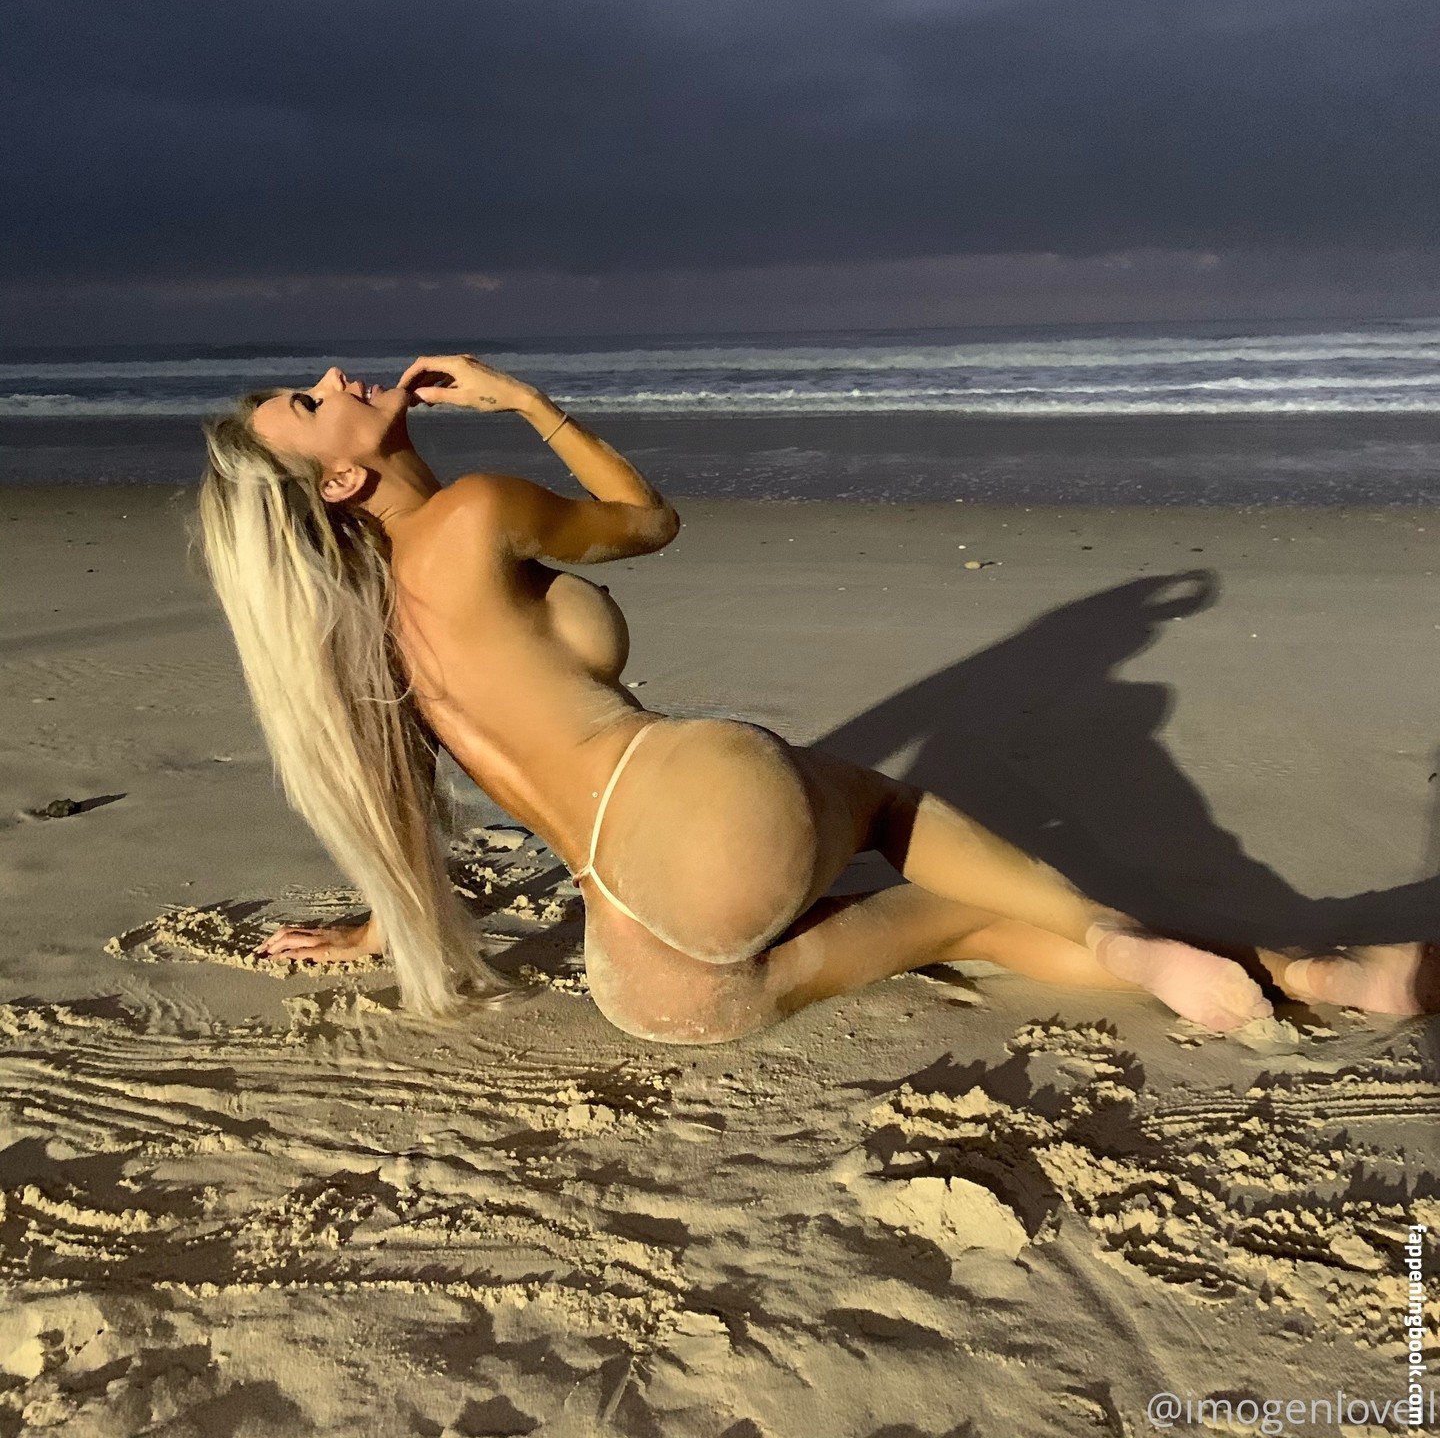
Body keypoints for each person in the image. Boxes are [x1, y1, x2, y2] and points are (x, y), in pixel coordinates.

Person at [196, 354, 1431, 1040]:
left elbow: (402, 812)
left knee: (962, 922)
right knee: (890, 811)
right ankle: (1135, 942)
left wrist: (379, 931)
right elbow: (648, 520)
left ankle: (1316, 974)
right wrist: (524, 403)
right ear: (342, 482)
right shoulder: (471, 515)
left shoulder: (380, 640)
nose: (335, 373)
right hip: (692, 806)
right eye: (310, 403)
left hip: (644, 971)